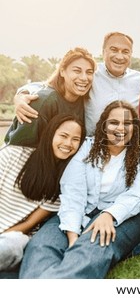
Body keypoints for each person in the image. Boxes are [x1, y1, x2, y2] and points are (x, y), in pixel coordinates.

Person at [19, 101, 140, 278]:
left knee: (91, 248)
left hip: (124, 216)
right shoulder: (86, 148)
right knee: (41, 246)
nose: (121, 128)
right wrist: (73, 235)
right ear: (103, 125)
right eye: (114, 122)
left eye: (127, 123)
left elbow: (137, 195)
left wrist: (109, 214)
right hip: (80, 210)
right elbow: (73, 192)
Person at [14, 32, 140, 136]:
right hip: (89, 147)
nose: (119, 56)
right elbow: (47, 85)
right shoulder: (90, 74)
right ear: (103, 52)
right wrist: (22, 94)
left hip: (125, 148)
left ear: (131, 55)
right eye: (114, 50)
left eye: (125, 52)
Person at [0, 114, 85, 272]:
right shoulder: (13, 155)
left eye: (75, 139)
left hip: (13, 237)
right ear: (51, 133)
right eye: (64, 136)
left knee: (9, 246)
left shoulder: (63, 182)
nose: (68, 143)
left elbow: (28, 224)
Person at [6, 47, 95, 147]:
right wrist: (21, 94)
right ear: (62, 71)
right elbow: (19, 149)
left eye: (89, 72)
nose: (84, 78)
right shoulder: (44, 101)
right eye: (77, 71)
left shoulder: (86, 99)